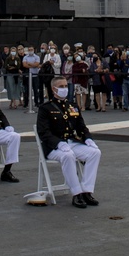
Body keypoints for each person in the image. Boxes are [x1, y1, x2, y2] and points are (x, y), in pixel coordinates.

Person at [37, 76, 102, 208]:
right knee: (68, 155)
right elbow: (43, 132)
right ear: (53, 89)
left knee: (95, 153)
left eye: (66, 86)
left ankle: (86, 190)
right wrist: (58, 143)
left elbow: (81, 126)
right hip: (54, 147)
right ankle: (76, 193)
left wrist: (88, 138)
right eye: (61, 87)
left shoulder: (72, 106)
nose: (64, 89)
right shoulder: (45, 108)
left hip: (72, 142)